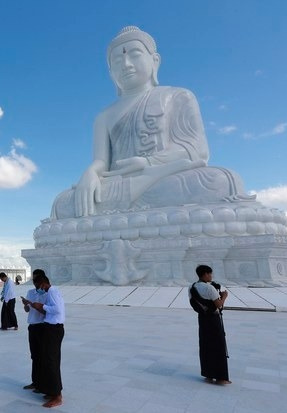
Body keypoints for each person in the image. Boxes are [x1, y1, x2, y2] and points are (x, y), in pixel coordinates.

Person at [51, 26, 251, 219]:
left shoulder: (178, 96)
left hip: (164, 177)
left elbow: (197, 150)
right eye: (117, 60)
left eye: (134, 54)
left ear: (155, 61)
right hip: (119, 184)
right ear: (111, 73)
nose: (126, 64)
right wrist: (90, 174)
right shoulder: (104, 116)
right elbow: (102, 162)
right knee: (64, 202)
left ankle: (123, 213)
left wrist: (148, 163)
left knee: (218, 181)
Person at [29, 269, 65, 408]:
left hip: (54, 329)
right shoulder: (51, 292)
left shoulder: (52, 292)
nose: (39, 290)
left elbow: (57, 310)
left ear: (43, 284)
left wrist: (41, 306)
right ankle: (51, 390)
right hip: (49, 328)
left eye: (39, 286)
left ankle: (57, 395)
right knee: (47, 360)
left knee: (52, 362)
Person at [190, 264, 230, 385]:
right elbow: (219, 305)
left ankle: (208, 374)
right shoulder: (210, 289)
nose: (211, 276)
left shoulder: (192, 287)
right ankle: (221, 377)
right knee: (218, 345)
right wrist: (224, 296)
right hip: (213, 319)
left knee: (205, 345)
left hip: (202, 318)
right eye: (210, 273)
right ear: (205, 274)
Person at [20, 273, 47, 392]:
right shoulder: (31, 292)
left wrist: (36, 306)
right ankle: (35, 382)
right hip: (32, 327)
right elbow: (27, 310)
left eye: (37, 279)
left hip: (42, 327)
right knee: (34, 356)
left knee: (42, 356)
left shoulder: (47, 293)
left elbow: (47, 311)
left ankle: (43, 383)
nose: (35, 282)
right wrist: (26, 305)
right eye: (34, 279)